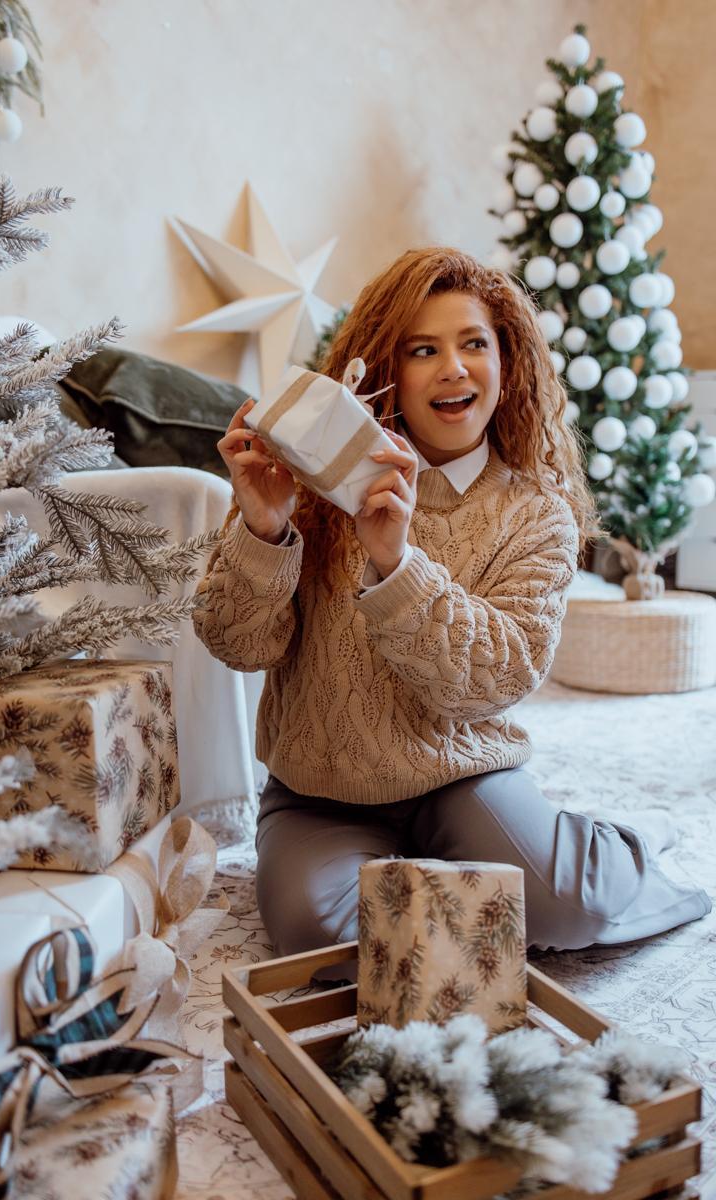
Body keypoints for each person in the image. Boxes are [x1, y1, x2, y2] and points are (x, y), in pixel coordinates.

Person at [193, 246, 710, 965]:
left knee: (575, 908)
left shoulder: (537, 513)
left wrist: (396, 562)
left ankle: (618, 845)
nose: (454, 367)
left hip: (463, 776)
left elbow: (500, 677)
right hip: (322, 789)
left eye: (474, 344)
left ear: (508, 363)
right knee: (314, 937)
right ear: (386, 371)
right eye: (423, 350)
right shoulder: (307, 480)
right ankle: (462, 875)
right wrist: (262, 527)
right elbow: (238, 647)